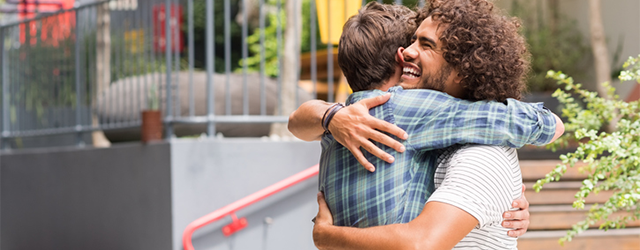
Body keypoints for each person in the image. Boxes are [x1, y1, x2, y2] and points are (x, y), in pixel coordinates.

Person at [290, 0, 563, 247]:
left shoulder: (481, 154)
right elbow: (538, 124)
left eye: (425, 44)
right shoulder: (378, 120)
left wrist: (327, 236)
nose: (408, 52)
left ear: (464, 68)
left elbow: (422, 243)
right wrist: (331, 115)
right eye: (410, 42)